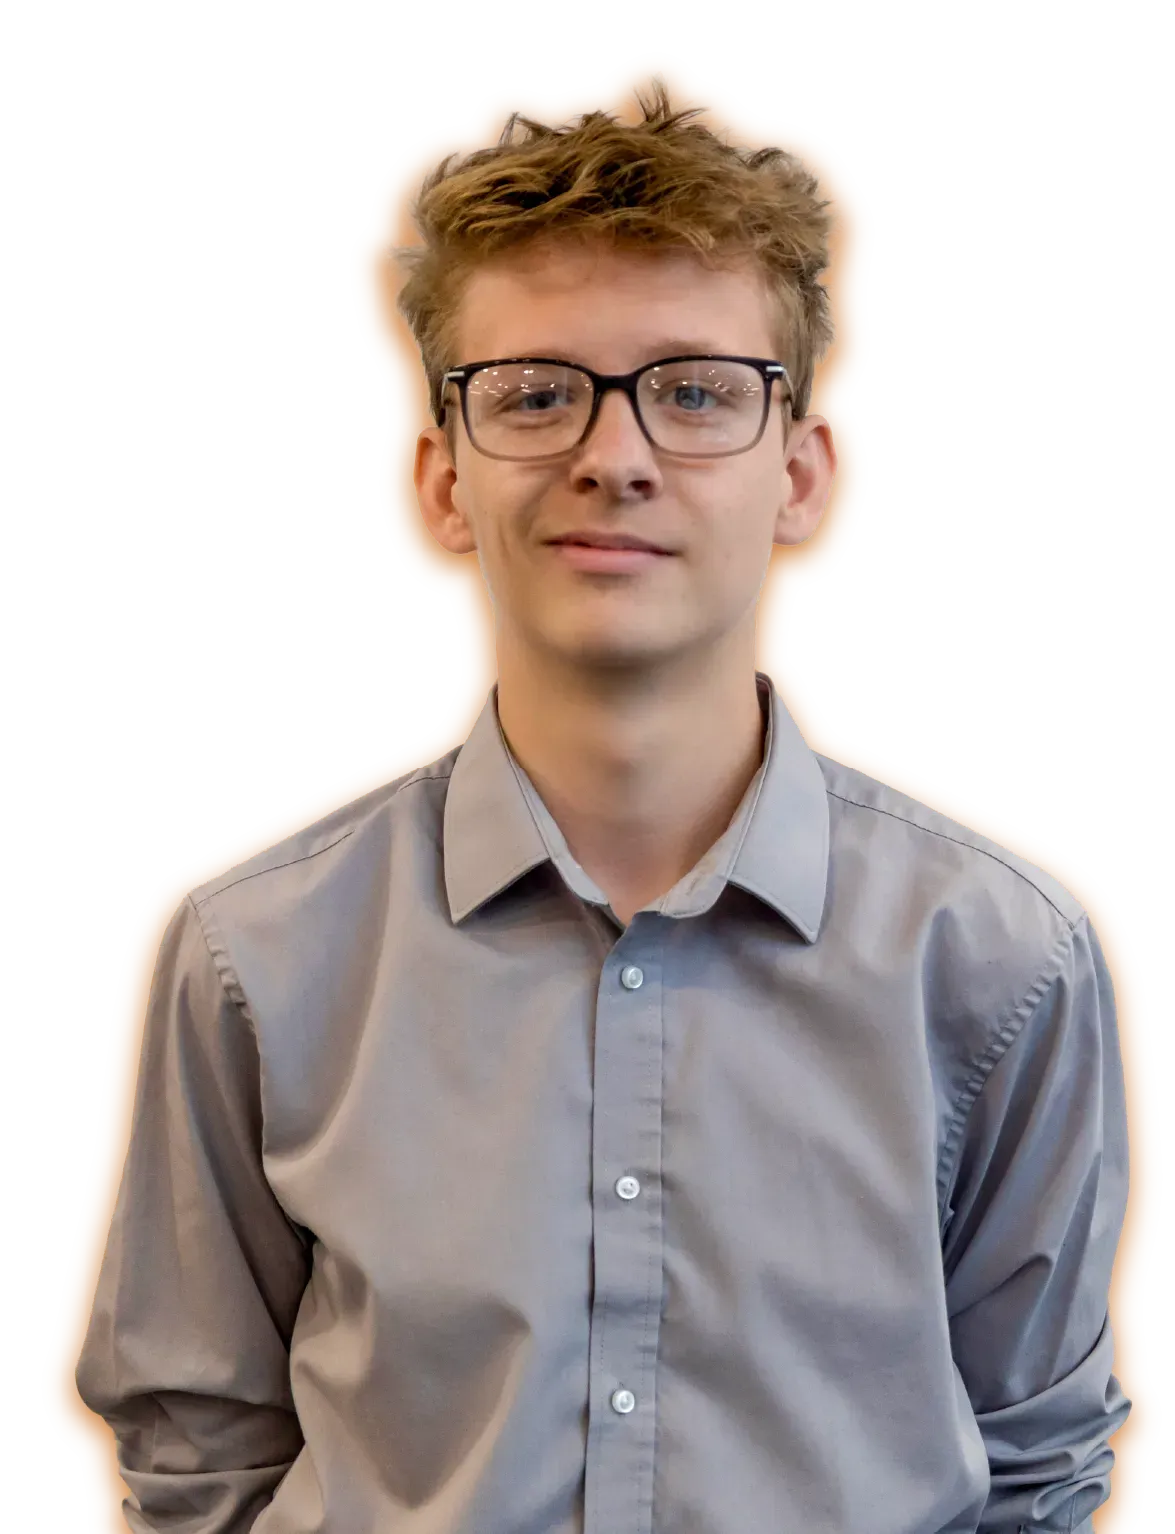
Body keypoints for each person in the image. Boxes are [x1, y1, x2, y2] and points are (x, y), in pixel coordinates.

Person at [76, 79, 1132, 1533]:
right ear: (442, 478)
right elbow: (200, 1454)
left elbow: (1037, 1463)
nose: (614, 453)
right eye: (535, 392)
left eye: (695, 390)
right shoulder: (255, 959)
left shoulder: (1002, 961)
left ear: (798, 473)